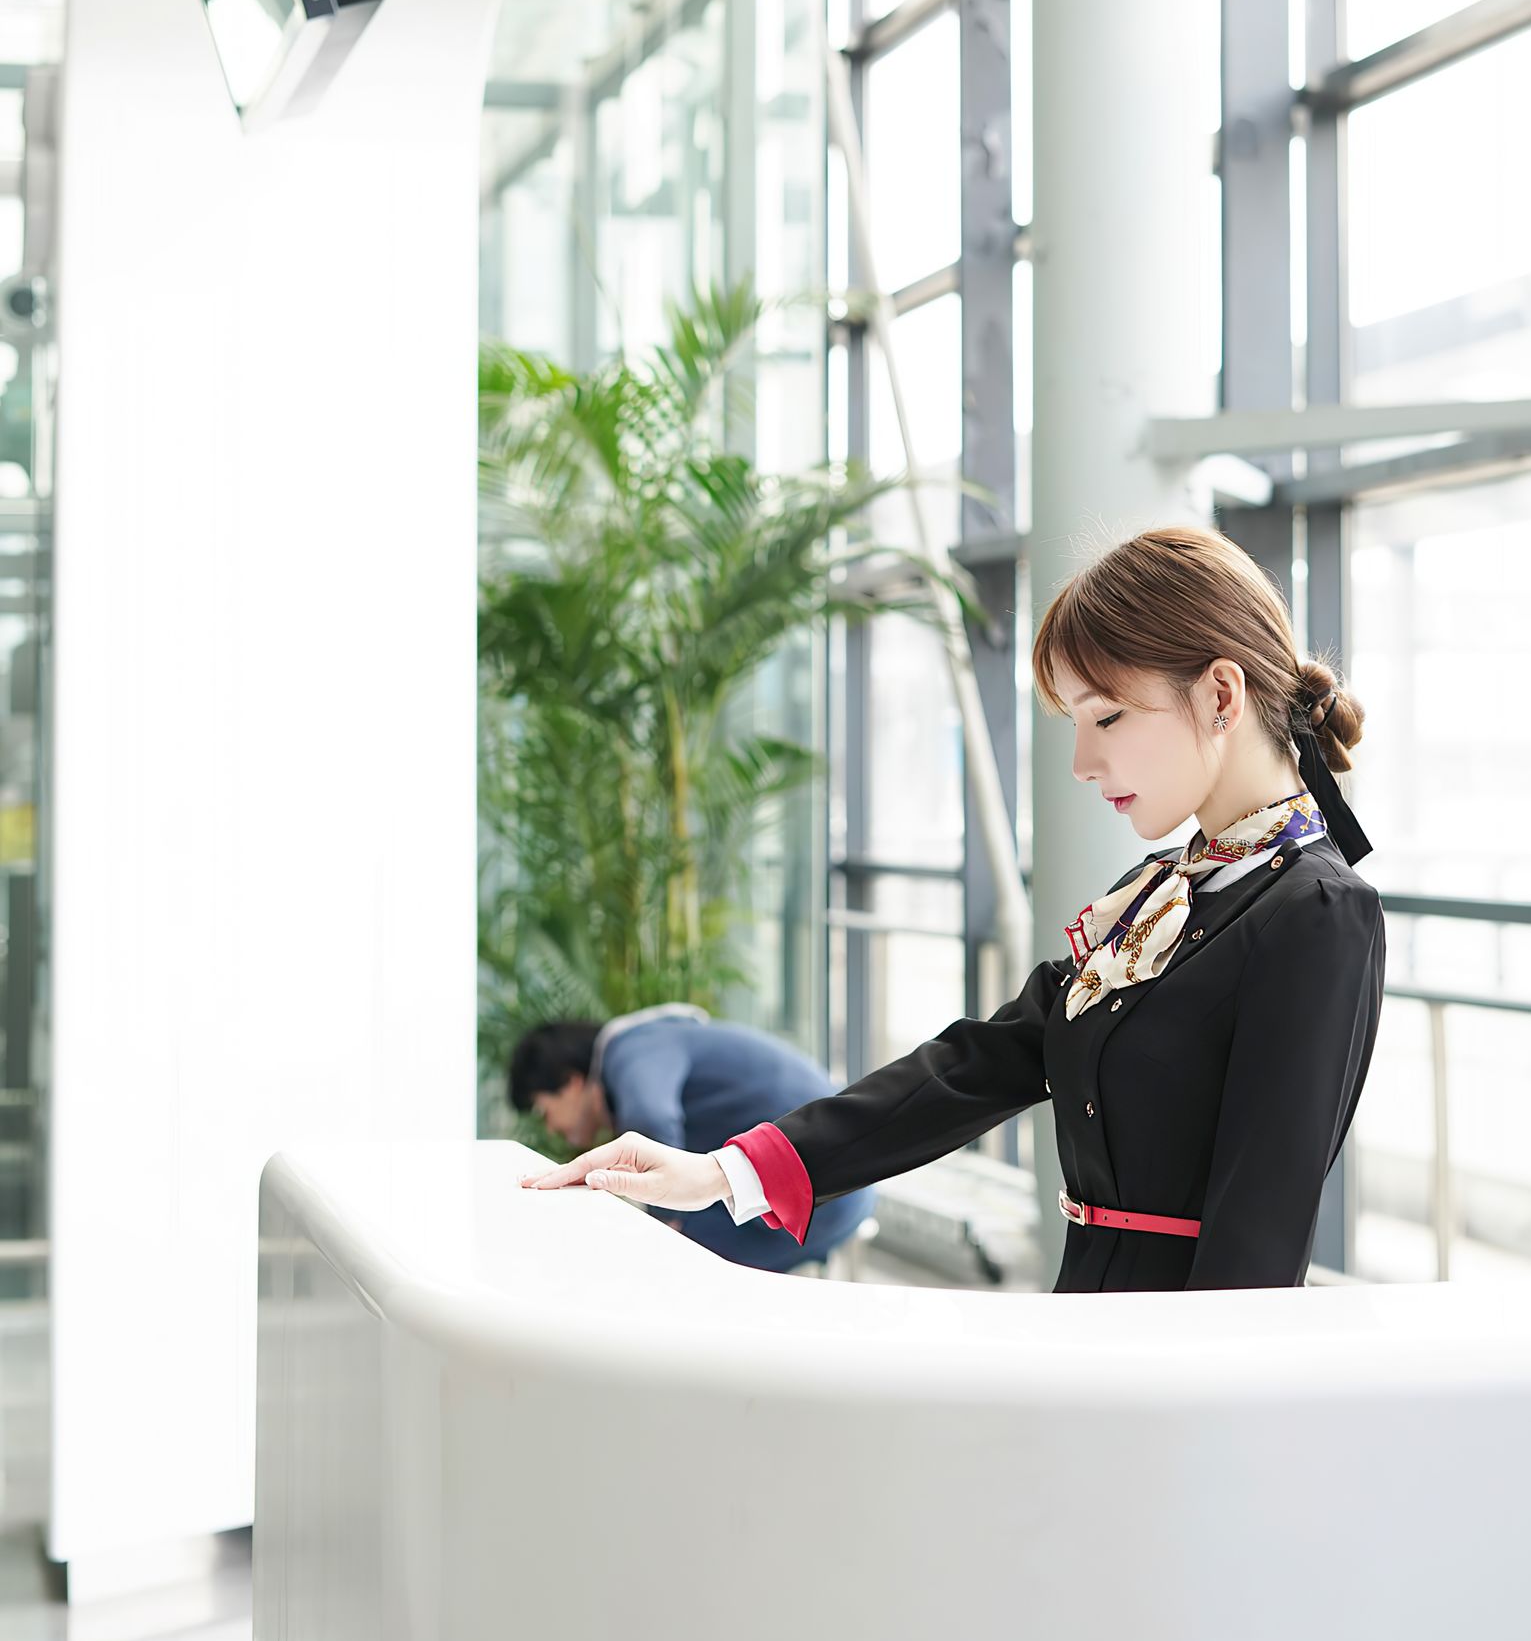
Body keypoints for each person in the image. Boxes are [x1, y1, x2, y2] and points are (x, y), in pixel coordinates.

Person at [521, 524, 1386, 1294]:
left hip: (1169, 1384)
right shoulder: (1165, 894)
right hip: (1086, 1345)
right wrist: (720, 1174)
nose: (1082, 763)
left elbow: (1254, 1260)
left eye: (1107, 717)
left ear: (1221, 696)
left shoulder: (1315, 914)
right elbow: (977, 1064)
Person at [508, 1006, 877, 1275]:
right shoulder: (653, 1039)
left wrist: (667, 1217)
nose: (550, 1128)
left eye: (544, 1111)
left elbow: (651, 1118)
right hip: (831, 1185)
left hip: (822, 1190)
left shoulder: (631, 1049)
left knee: (646, 1263)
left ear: (571, 1082)